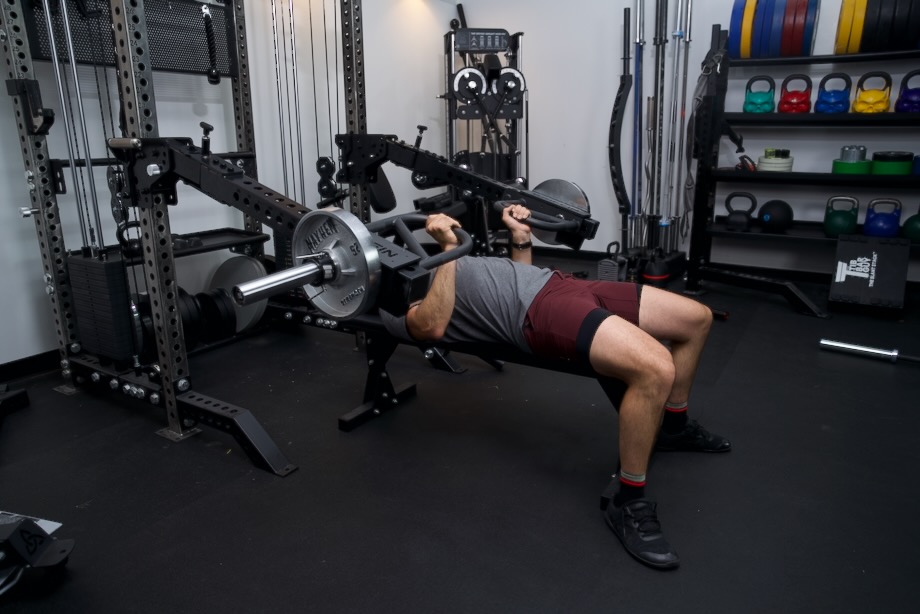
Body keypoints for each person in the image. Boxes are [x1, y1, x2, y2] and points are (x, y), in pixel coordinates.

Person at [378, 204, 730, 570]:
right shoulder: (391, 299)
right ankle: (628, 500)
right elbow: (431, 327)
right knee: (656, 368)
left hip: (562, 284)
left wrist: (520, 237)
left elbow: (517, 278)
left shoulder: (428, 264)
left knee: (696, 318)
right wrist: (449, 251)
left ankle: (674, 427)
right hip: (535, 315)